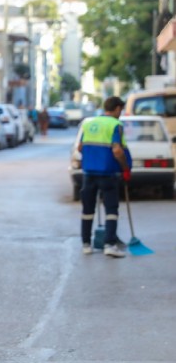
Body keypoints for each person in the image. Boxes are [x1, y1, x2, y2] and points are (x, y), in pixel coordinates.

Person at [78, 96, 131, 258]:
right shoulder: (115, 125)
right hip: (107, 173)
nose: (120, 113)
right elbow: (117, 150)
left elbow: (80, 147)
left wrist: (92, 158)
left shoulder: (88, 123)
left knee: (87, 209)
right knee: (111, 209)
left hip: (88, 174)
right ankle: (109, 244)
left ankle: (86, 244)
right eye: (120, 110)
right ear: (115, 109)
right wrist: (125, 168)